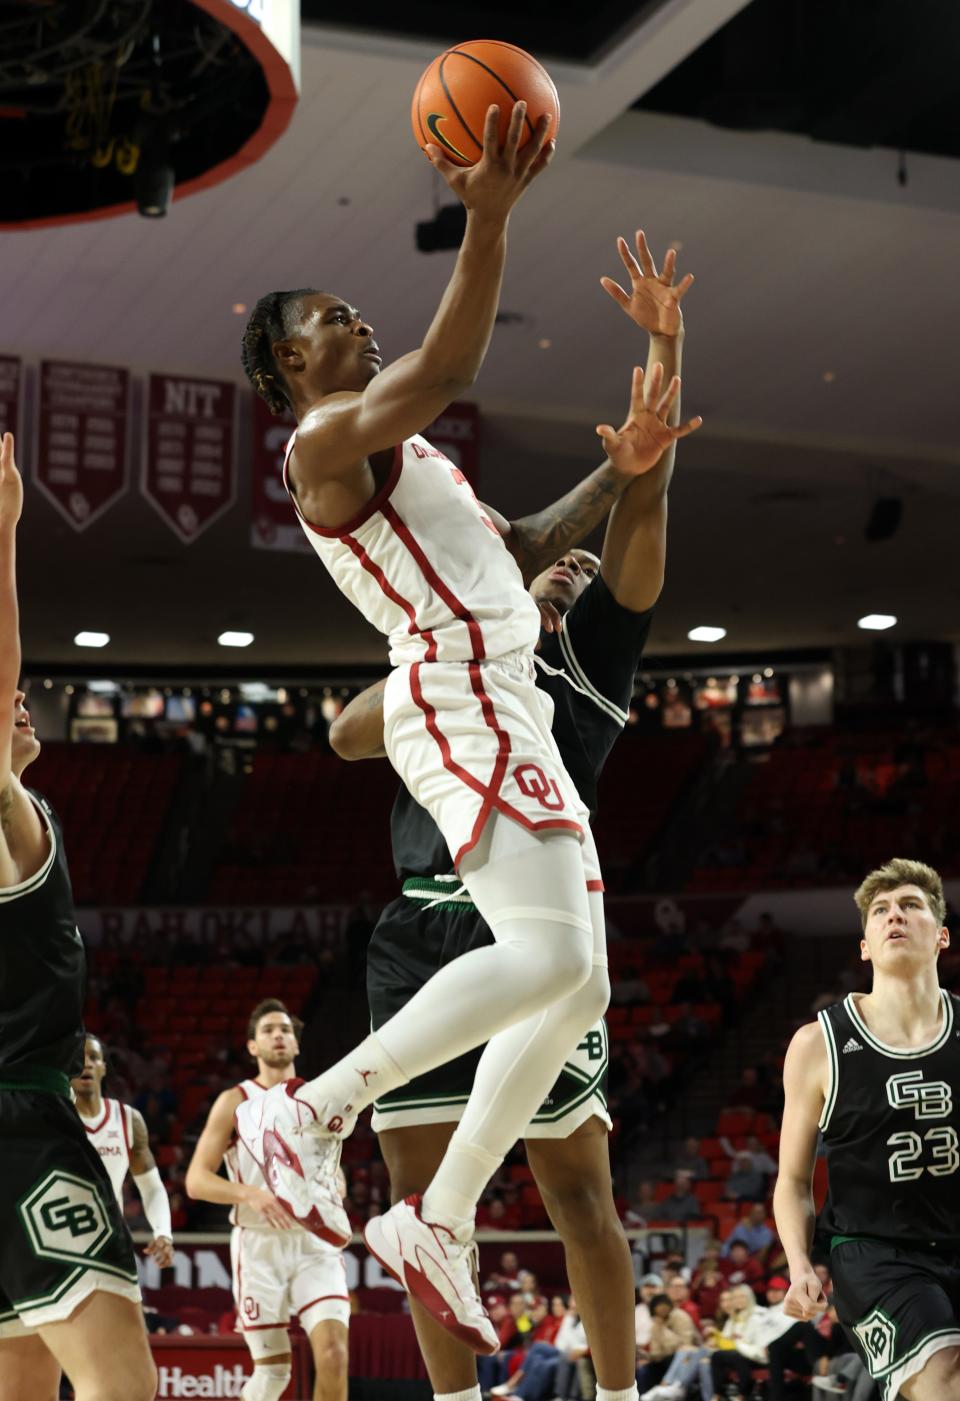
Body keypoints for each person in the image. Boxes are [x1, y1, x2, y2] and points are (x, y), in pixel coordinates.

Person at [236, 102, 699, 1356]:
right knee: (552, 964)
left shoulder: (417, 469)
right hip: (454, 695)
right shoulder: (325, 443)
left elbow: (525, 552)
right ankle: (314, 1114)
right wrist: (486, 214)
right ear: (289, 368)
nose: (359, 324)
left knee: (581, 977)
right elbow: (445, 368)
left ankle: (438, 1215)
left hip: (501, 694)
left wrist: (630, 454)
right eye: (331, 320)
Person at [326, 229, 696, 1401]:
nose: (571, 577)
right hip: (424, 928)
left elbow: (642, 511)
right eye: (557, 569)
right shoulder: (455, 661)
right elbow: (344, 732)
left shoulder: (590, 671)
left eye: (580, 576)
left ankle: (623, 1394)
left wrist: (664, 349)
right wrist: (482, 617)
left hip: (531, 920)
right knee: (426, 1201)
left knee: (579, 1191)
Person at [0, 434, 155, 1401]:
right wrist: (5, 532)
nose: (20, 701)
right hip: (23, 1123)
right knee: (122, 1389)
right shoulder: (11, 817)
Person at [775, 858, 960, 1401]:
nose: (893, 917)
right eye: (880, 911)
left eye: (910, 906)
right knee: (946, 1379)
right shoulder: (818, 1045)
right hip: (876, 1254)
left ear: (941, 935)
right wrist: (799, 1263)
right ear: (865, 945)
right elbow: (791, 1181)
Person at [186, 999, 350, 1401]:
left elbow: (334, 1172)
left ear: (296, 1044)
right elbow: (196, 1180)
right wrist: (250, 1193)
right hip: (259, 1244)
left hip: (313, 1244)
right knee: (274, 1374)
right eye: (268, 1031)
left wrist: (332, 1190)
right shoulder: (235, 1100)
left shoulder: (316, 1099)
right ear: (252, 1047)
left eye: (286, 1030)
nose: (279, 1035)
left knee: (334, 1355)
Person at [70, 1035, 174, 1269]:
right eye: (78, 1058)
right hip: (60, 1245)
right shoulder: (52, 1119)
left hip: (111, 1242)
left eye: (94, 1057)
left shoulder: (127, 1120)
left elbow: (152, 1187)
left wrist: (163, 1232)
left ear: (104, 1067)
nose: (86, 1063)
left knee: (132, 1306)